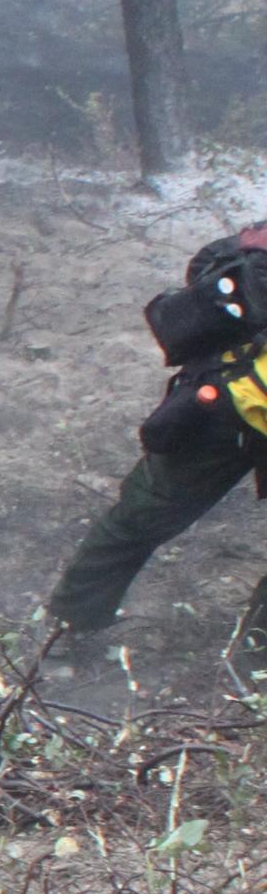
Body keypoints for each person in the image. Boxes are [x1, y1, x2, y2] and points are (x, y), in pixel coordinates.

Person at [45, 228, 267, 667]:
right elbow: (214, 261)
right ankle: (70, 629)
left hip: (235, 403)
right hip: (223, 410)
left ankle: (255, 657)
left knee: (138, 518)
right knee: (142, 517)